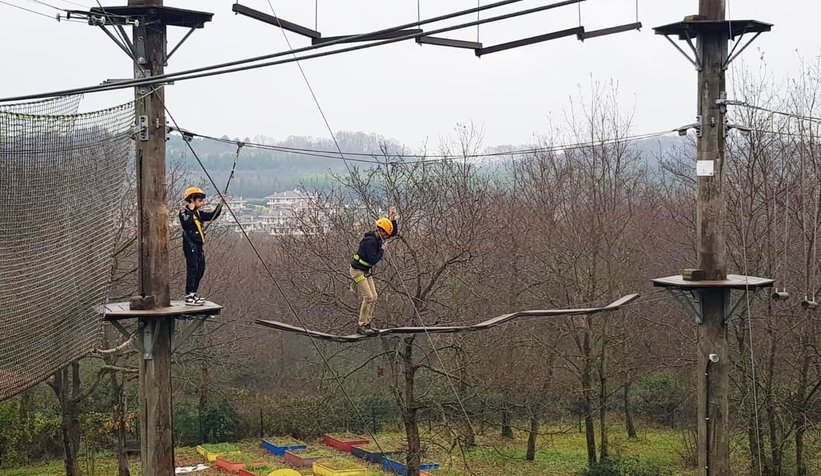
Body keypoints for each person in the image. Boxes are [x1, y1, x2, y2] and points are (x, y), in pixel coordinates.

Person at [350, 207, 399, 335]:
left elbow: (393, 233)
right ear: (381, 231)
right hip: (357, 271)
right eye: (386, 235)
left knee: (375, 297)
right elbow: (373, 260)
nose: (387, 237)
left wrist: (393, 220)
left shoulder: (379, 236)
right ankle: (361, 325)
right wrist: (382, 250)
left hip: (365, 271)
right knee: (368, 297)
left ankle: (367, 324)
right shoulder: (369, 242)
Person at [179, 186, 223, 306]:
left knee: (200, 269)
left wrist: (221, 204)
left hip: (198, 245)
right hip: (190, 244)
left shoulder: (198, 213)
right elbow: (186, 223)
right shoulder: (184, 212)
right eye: (199, 200)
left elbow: (212, 215)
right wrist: (191, 210)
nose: (202, 203)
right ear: (192, 200)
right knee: (192, 269)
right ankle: (189, 294)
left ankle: (194, 292)